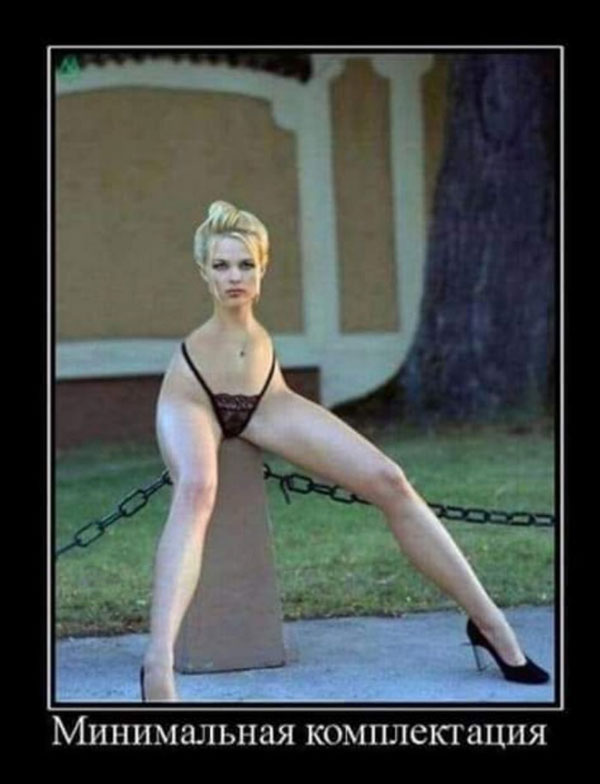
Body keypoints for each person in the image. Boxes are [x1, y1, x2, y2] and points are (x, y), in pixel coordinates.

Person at [139, 200, 549, 701]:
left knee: (391, 480)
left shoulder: (260, 335)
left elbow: (278, 397)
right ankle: (158, 664)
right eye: (221, 266)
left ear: (263, 268)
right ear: (204, 272)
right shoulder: (195, 352)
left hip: (266, 396)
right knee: (198, 489)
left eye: (246, 264)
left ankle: (490, 625)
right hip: (192, 396)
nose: (234, 277)